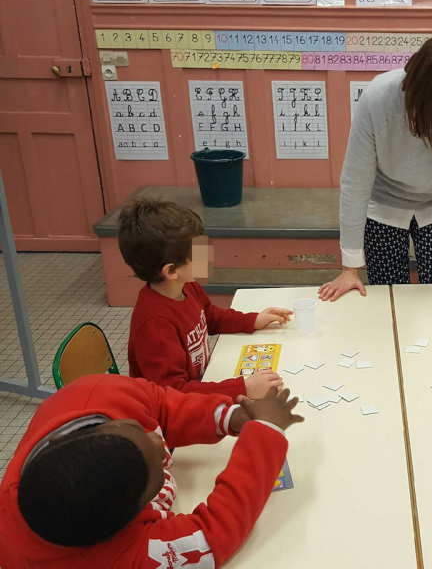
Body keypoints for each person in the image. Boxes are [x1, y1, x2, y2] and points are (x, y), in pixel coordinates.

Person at [0, 373, 304, 568]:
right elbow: (214, 536)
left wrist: (229, 416)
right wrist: (266, 431)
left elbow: (162, 404)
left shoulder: (99, 391)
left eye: (136, 428)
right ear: (127, 526)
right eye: (155, 474)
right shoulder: (115, 556)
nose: (160, 445)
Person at [319, 31, 432, 302]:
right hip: (384, 203)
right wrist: (349, 269)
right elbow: (356, 182)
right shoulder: (378, 99)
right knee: (390, 296)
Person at [120, 199, 290, 398]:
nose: (207, 254)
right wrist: (242, 389)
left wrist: (252, 320)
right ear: (172, 270)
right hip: (172, 414)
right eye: (198, 251)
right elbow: (173, 394)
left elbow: (210, 316)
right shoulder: (156, 325)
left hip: (201, 386)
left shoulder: (186, 286)